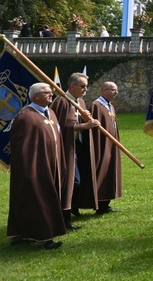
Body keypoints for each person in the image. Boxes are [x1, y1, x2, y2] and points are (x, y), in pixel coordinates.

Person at [7, 83, 66, 249]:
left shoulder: (51, 113)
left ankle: (19, 233)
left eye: (51, 92)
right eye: (46, 93)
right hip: (35, 167)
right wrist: (28, 169)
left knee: (31, 200)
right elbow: (20, 146)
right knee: (38, 199)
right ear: (36, 96)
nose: (51, 95)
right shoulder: (25, 117)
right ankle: (44, 238)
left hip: (52, 163)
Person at [49, 73, 100, 229]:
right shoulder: (62, 101)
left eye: (86, 86)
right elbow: (59, 127)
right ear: (72, 86)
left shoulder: (80, 102)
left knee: (80, 178)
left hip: (79, 146)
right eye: (82, 86)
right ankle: (65, 218)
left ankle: (74, 206)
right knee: (71, 181)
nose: (85, 89)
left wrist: (87, 120)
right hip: (66, 148)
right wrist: (84, 126)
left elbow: (79, 121)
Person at [90, 81, 122, 214]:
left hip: (111, 144)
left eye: (116, 90)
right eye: (113, 90)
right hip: (102, 145)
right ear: (104, 90)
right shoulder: (96, 105)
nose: (116, 93)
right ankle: (99, 203)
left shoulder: (110, 106)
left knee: (110, 170)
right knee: (102, 170)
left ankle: (106, 203)